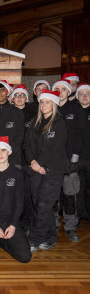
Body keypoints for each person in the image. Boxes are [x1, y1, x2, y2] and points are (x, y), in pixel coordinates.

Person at [24, 89, 68, 252]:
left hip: (53, 171)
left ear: (54, 104)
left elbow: (55, 148)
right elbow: (27, 145)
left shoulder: (60, 122)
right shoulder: (35, 121)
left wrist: (40, 164)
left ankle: (34, 240)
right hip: (36, 169)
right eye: (42, 102)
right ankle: (50, 238)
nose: (44, 105)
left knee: (43, 205)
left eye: (47, 102)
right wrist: (33, 162)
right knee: (39, 204)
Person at [0, 136, 31, 264]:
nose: (0, 154)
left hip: (10, 221)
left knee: (25, 257)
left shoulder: (17, 174)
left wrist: (13, 225)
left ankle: (3, 241)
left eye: (3, 150)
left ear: (9, 151)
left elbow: (20, 202)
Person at [52, 79, 85, 242]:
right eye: (56, 89)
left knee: (70, 196)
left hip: (70, 161)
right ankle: (52, 225)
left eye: (63, 89)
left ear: (68, 91)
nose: (60, 91)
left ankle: (70, 227)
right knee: (52, 196)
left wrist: (74, 158)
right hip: (52, 162)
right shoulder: (49, 108)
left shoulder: (76, 109)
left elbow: (80, 136)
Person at [11, 84, 34, 233]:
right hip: (12, 160)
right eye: (16, 95)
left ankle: (26, 222)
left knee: (27, 194)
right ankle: (13, 221)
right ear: (12, 98)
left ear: (26, 97)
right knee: (12, 193)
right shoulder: (8, 113)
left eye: (22, 95)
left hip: (29, 161)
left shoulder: (34, 112)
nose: (19, 97)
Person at [76, 84, 90, 229]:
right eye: (82, 94)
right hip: (77, 159)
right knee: (77, 191)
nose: (85, 96)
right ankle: (78, 217)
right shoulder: (73, 111)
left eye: (88, 93)